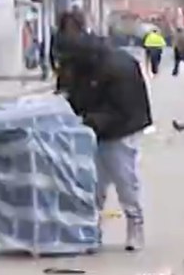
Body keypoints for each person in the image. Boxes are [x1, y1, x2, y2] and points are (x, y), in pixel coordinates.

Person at [60, 34, 153, 251]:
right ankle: (91, 230)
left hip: (123, 129)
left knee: (124, 179)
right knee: (93, 182)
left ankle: (135, 224)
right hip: (94, 129)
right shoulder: (81, 67)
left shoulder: (119, 69)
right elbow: (75, 97)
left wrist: (92, 120)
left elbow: (126, 109)